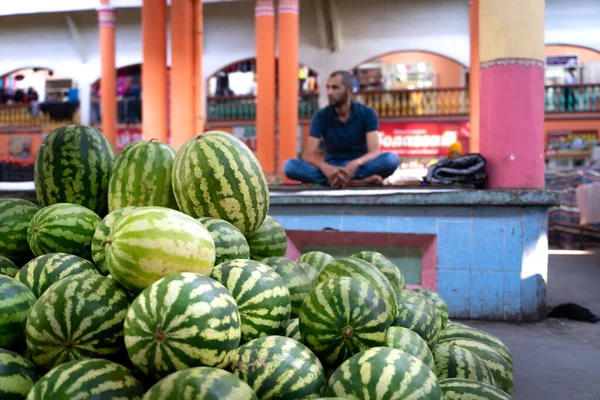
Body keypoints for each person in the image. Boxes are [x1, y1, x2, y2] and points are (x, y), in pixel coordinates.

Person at [283, 70, 400, 188]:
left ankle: (337, 181)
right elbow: (308, 155)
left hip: (359, 167)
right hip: (331, 167)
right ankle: (356, 182)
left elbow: (374, 151)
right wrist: (326, 168)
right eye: (328, 88)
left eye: (335, 88)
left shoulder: (367, 113)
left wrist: (355, 164)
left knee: (391, 159)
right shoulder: (321, 115)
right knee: (289, 166)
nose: (329, 92)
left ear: (349, 91)